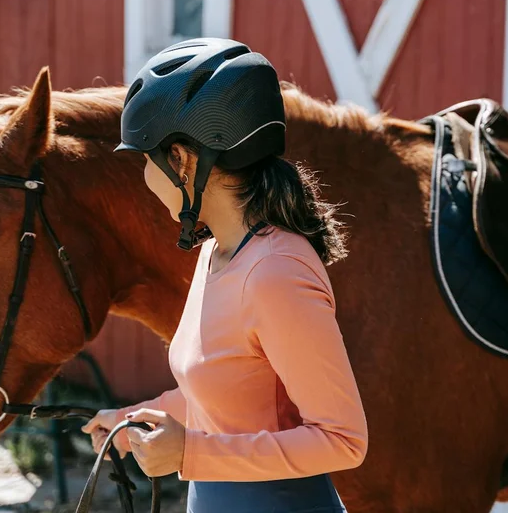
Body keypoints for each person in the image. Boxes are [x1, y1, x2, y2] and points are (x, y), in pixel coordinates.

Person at [82, 38, 367, 513]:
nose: (145, 179)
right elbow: (225, 398)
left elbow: (342, 439)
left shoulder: (276, 273)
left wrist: (191, 452)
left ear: (182, 160)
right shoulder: (216, 250)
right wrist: (131, 420)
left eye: (145, 161)